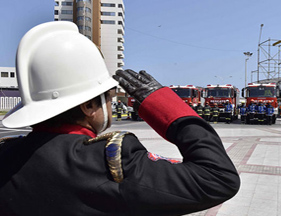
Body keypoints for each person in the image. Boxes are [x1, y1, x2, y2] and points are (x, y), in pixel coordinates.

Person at [0, 21, 240, 216]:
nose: (111, 105)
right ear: (89, 105)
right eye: (107, 97)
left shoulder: (7, 155)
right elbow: (218, 178)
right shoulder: (109, 162)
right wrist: (166, 107)